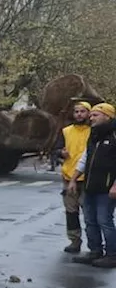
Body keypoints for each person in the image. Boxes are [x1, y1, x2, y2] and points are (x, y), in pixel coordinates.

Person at [68, 102, 116, 267]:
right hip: (90, 186)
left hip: (107, 188)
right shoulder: (94, 135)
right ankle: (95, 251)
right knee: (90, 220)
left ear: (107, 116)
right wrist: (74, 179)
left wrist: (115, 186)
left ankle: (112, 255)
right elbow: (85, 158)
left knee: (105, 220)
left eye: (95, 115)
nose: (91, 117)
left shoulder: (113, 135)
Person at [60, 101, 92, 254]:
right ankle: (74, 241)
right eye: (76, 112)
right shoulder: (66, 131)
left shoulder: (94, 131)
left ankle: (95, 245)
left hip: (88, 178)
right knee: (71, 212)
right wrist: (61, 153)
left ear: (88, 114)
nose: (79, 114)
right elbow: (56, 149)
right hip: (68, 177)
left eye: (82, 111)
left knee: (90, 214)